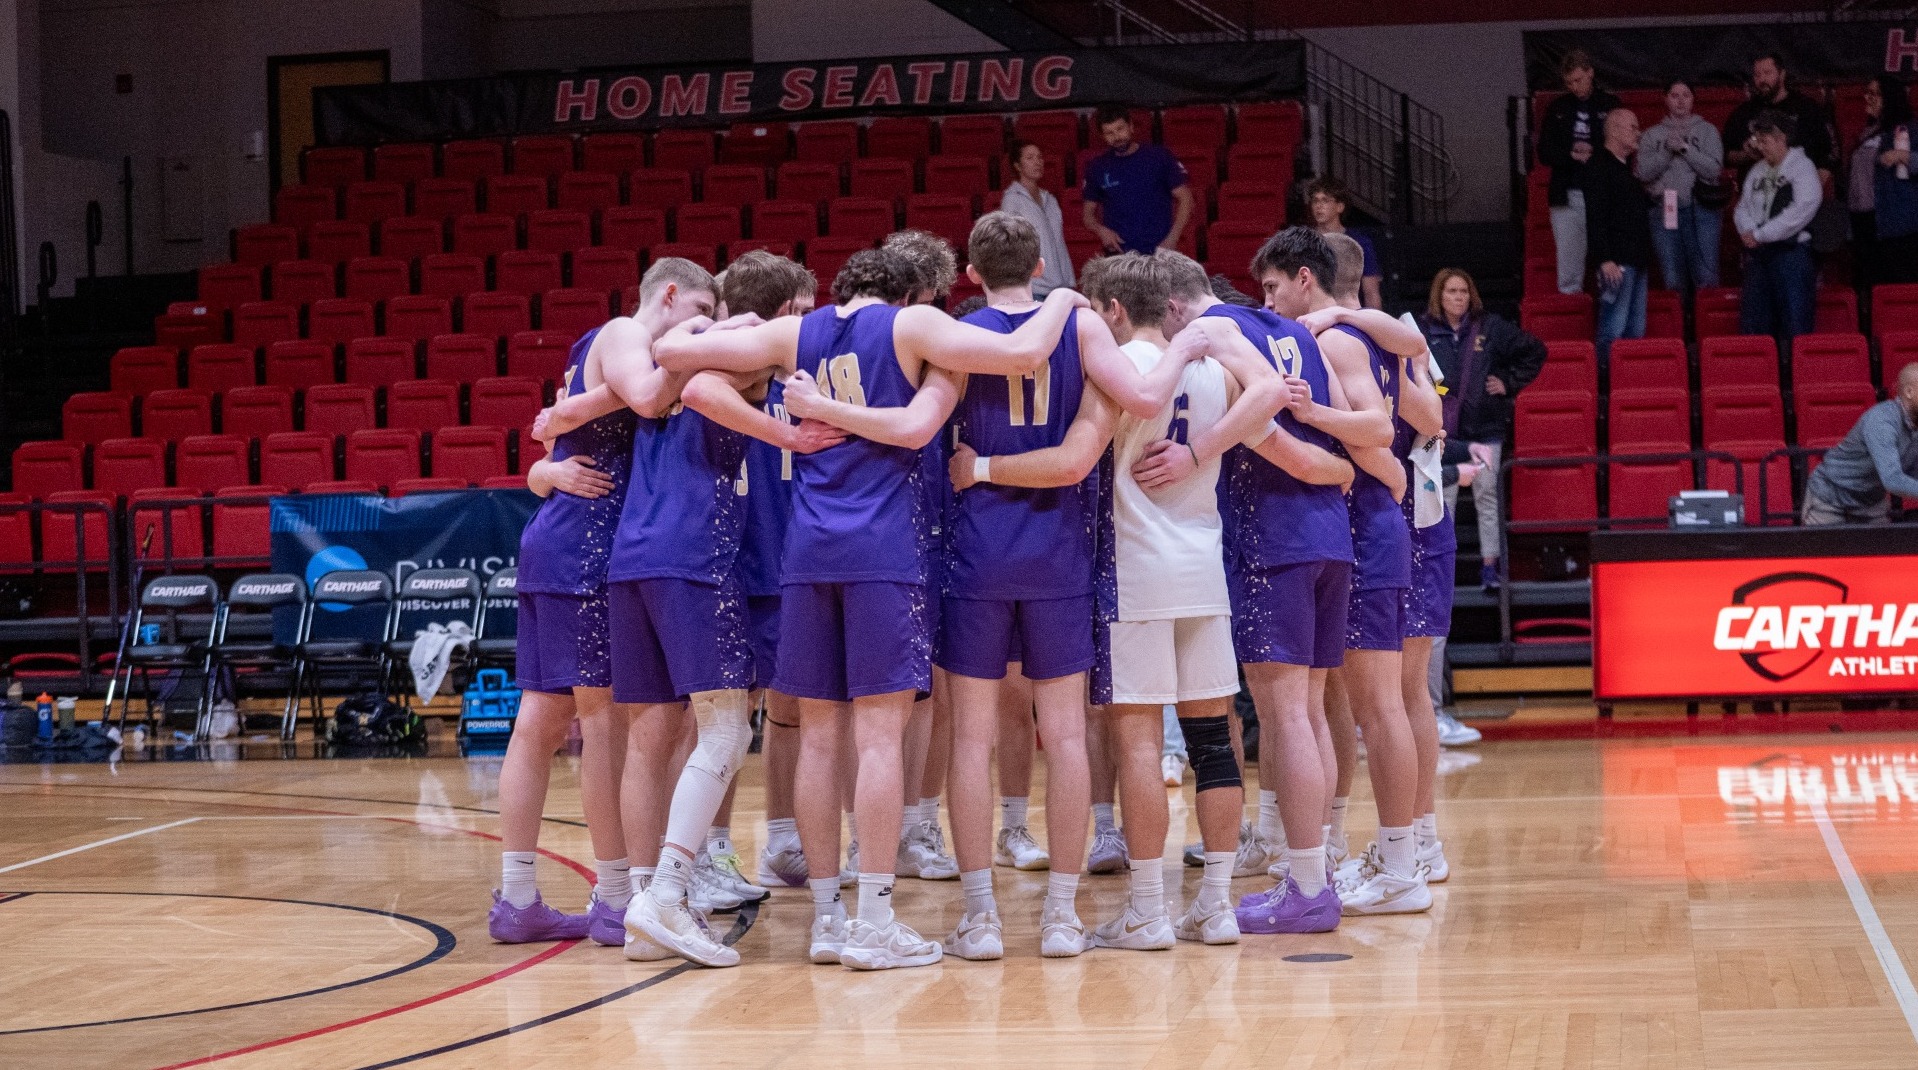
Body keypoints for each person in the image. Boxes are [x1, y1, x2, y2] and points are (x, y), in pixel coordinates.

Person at [659, 248, 1085, 969]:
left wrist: (791, 427)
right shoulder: (914, 326)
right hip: (884, 551)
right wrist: (1066, 300)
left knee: (820, 738)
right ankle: (873, 921)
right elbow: (1019, 353)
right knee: (880, 740)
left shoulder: (797, 334)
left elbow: (683, 365)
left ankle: (827, 920)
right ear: (912, 292)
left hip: (808, 551)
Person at [945, 250, 1312, 948]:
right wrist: (1203, 449)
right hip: (1204, 569)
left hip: (1134, 574)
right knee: (1212, 741)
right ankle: (1216, 904)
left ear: (1111, 311)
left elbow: (1069, 462)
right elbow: (1270, 397)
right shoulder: (1211, 366)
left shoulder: (1108, 374)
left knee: (1139, 742)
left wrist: (981, 467)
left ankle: (1147, 907)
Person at [490, 287, 694, 951]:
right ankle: (613, 897)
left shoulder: (588, 347)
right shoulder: (623, 333)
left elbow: (557, 440)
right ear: (667, 295)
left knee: (539, 721)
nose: (700, 327)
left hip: (557, 539)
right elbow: (644, 396)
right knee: (601, 721)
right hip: (586, 548)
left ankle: (517, 898)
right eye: (696, 309)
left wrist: (549, 455)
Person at [1252, 227, 1435, 918]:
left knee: (1377, 705)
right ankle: (1347, 854)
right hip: (1358, 526)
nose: (1268, 302)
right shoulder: (1355, 331)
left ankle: (1398, 865)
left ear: (1306, 279)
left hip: (1365, 528)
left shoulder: (1333, 339)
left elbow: (1379, 427)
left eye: (1274, 287)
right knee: (1346, 706)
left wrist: (1305, 410)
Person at [1418, 269, 1546, 591]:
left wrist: (1509, 383)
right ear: (1439, 295)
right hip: (1442, 431)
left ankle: (1491, 567)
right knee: (1441, 498)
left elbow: (1536, 350)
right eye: (1451, 292)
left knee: (1487, 496)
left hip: (1486, 428)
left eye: (1463, 291)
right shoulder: (1422, 331)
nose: (1458, 298)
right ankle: (1439, 566)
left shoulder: (1490, 328)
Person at [1734, 112, 1822, 346]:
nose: (1760, 147)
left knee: (1796, 322)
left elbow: (1802, 209)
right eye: (1758, 141)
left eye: (1765, 141)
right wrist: (1750, 231)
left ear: (1781, 138)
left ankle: (1796, 378)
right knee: (1755, 322)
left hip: (1790, 253)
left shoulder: (1802, 167)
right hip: (1760, 254)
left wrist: (1762, 234)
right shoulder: (1756, 171)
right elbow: (1742, 206)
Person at [1537, 50, 1620, 295]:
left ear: (1590, 73)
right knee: (1569, 267)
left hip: (1604, 193)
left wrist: (1595, 152)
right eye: (1569, 82)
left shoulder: (1610, 105)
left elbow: (1625, 149)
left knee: (1608, 263)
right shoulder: (1557, 108)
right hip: (1568, 192)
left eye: (1579, 80)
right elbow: (1544, 152)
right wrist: (1570, 154)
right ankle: (1572, 319)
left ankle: (1609, 321)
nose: (1575, 87)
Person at [1801, 363, 1918, 525]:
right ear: (1909, 392)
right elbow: (1892, 479)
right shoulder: (1882, 421)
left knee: (1884, 550)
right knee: (1824, 550)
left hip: (1871, 501)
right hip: (1831, 496)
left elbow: (1913, 473)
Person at [1636, 78, 1724, 293]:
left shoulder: (1707, 131)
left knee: (1706, 275)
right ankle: (1679, 324)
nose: (1681, 101)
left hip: (1702, 209)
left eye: (1686, 95)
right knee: (1672, 277)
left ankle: (1705, 324)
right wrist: (1667, 149)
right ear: (1665, 99)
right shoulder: (1651, 134)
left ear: (1693, 99)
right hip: (1664, 208)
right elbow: (1643, 172)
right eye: (1675, 96)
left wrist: (1685, 149)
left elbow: (1714, 170)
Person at [1585, 109, 1653, 364]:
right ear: (1613, 130)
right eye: (1632, 127)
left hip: (1636, 259)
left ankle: (1627, 381)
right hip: (1617, 261)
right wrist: (1604, 259)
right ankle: (1605, 383)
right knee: (1614, 326)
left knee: (1635, 328)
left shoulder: (1624, 168)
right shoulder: (1599, 166)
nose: (1638, 133)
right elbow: (1596, 216)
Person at [1082, 104, 1194, 255]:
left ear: (1131, 127)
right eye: (1109, 133)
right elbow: (1087, 215)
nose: (1116, 137)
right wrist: (1101, 230)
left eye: (1120, 129)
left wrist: (1173, 238)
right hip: (1119, 256)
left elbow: (1186, 198)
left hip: (1159, 252)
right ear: (1103, 136)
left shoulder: (1159, 157)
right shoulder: (1097, 167)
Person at [1724, 53, 1836, 178]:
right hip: (1757, 188)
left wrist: (1816, 185)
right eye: (1757, 75)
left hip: (1797, 185)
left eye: (1767, 73)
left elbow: (1829, 153)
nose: (1762, 80)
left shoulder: (1806, 108)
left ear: (1782, 74)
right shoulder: (1744, 112)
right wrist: (1747, 155)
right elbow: (1727, 155)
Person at [1000, 140, 1076, 296]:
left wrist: (1068, 278)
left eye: (1040, 157)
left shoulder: (1050, 199)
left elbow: (1058, 242)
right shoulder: (1012, 199)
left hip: (1061, 285)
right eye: (1030, 158)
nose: (1037, 162)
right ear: (1017, 165)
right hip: (1033, 287)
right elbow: (1010, 243)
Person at [1868, 77, 1918, 286]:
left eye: (1874, 94)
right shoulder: (1872, 132)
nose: (1867, 98)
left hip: (1907, 229)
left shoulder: (1912, 129)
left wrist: (1904, 157)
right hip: (1876, 227)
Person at [1306, 177, 1384, 309]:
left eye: (1325, 200)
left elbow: (1371, 293)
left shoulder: (1360, 243)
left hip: (1350, 313)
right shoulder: (1303, 241)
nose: (1319, 206)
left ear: (1340, 207)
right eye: (1315, 200)